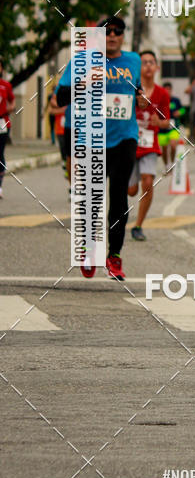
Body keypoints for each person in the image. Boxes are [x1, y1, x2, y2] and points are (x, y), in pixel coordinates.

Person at [55, 16, 141, 280]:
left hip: (125, 137)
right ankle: (89, 251)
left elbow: (136, 91)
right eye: (107, 32)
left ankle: (114, 256)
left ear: (123, 35)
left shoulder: (134, 61)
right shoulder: (83, 61)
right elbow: (59, 98)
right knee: (91, 201)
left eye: (117, 31)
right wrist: (84, 83)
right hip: (91, 138)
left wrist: (142, 98)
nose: (112, 36)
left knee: (118, 199)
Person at [127, 50, 171, 241]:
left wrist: (158, 122)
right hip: (129, 143)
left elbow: (167, 122)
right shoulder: (130, 89)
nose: (148, 66)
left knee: (147, 182)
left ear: (157, 67)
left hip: (149, 145)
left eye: (151, 62)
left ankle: (138, 225)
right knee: (131, 190)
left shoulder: (162, 94)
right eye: (144, 62)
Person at [159, 82, 184, 171]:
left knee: (173, 145)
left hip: (173, 128)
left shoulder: (175, 100)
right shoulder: (159, 101)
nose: (167, 91)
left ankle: (173, 163)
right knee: (164, 149)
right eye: (166, 90)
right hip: (162, 129)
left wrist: (179, 112)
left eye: (169, 90)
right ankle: (167, 165)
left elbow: (183, 109)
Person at [0, 57, 16, 199]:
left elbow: (12, 100)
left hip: (2, 122)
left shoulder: (5, 85)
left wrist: (10, 108)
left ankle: (0, 185)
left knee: (0, 152)